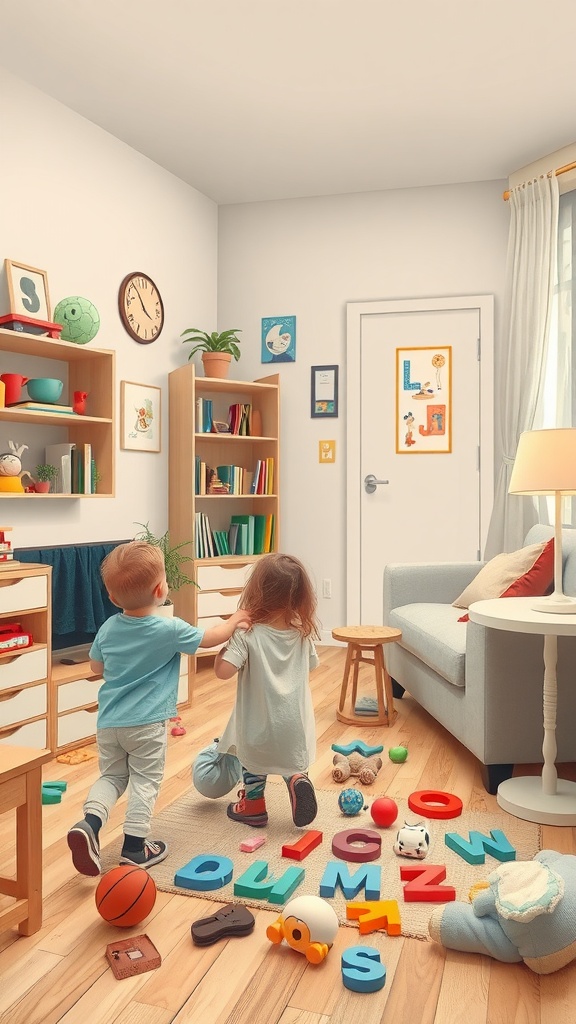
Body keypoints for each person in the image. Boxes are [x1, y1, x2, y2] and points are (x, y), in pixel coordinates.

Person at [67, 540, 251, 876]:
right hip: (146, 725)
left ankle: (90, 823)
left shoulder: (108, 628)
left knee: (112, 776)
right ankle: (135, 848)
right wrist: (235, 619)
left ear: (111, 597)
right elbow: (209, 638)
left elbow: (96, 669)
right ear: (160, 589)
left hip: (109, 722)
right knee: (144, 782)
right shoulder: (168, 628)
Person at [213, 552, 320, 829]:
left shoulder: (247, 633)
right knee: (291, 760)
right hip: (294, 727)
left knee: (254, 760)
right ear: (299, 598)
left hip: (258, 726)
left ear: (257, 592)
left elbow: (222, 672)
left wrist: (226, 638)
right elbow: (311, 666)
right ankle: (297, 779)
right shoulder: (302, 632)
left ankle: (254, 806)